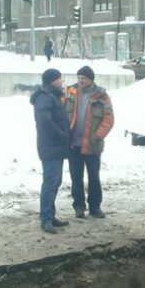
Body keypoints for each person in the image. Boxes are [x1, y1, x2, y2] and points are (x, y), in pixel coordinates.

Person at [64, 66, 115, 219]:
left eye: (83, 78)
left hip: (92, 145)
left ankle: (95, 207)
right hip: (74, 144)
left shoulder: (102, 95)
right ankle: (79, 206)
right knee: (76, 177)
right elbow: (61, 112)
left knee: (93, 176)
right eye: (78, 77)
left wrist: (97, 135)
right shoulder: (70, 92)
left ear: (91, 79)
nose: (80, 81)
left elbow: (109, 118)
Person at [31, 68, 72, 233]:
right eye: (59, 79)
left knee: (55, 182)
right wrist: (62, 135)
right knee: (50, 183)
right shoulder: (44, 97)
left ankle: (50, 215)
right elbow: (45, 122)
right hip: (50, 146)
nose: (62, 82)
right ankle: (45, 219)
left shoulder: (52, 96)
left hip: (56, 147)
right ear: (52, 81)